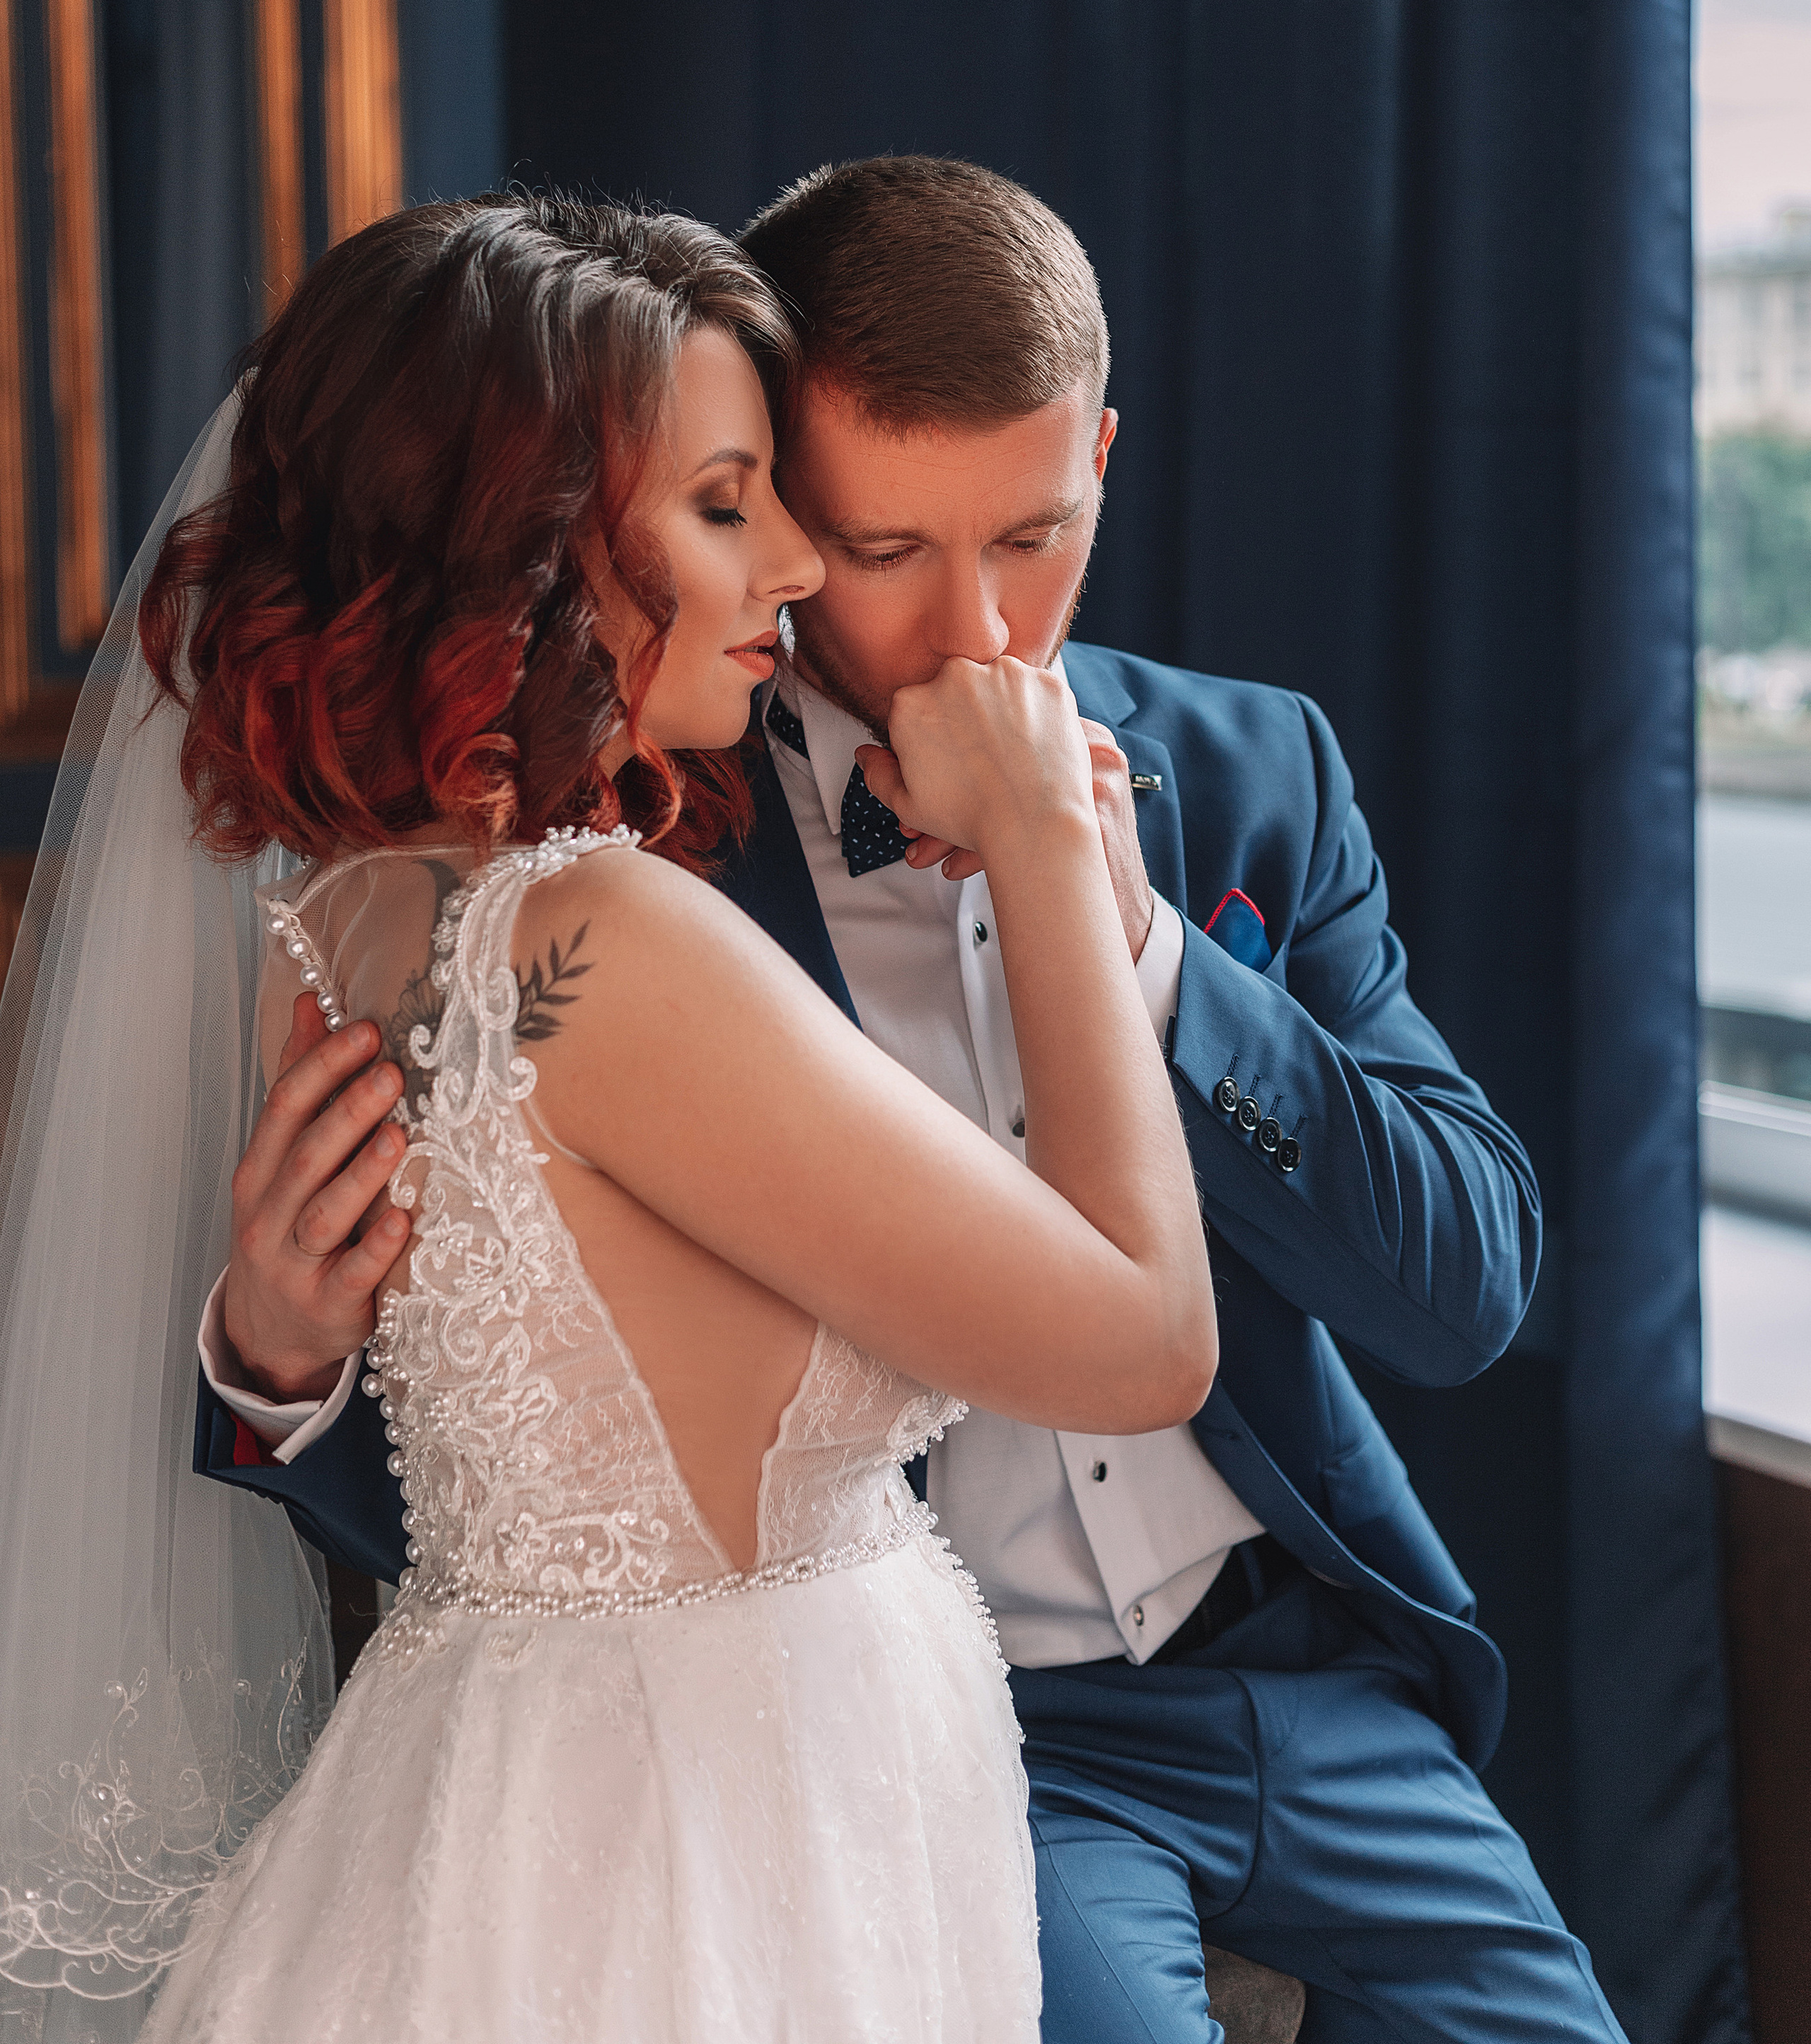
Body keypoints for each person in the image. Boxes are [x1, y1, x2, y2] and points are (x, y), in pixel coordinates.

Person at [214, 157, 1633, 2044]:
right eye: (880, 549)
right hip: (977, 1734)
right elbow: (546, 1481)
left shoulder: (1250, 769)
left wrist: (1140, 948)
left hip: (1313, 1670)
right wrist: (282, 1366)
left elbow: (1466, 1292)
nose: (975, 635)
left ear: (1101, 459)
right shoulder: (632, 844)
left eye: (1032, 536)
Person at [0, 195, 1221, 2044]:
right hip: (695, 1850)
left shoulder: (334, 925)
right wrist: (1055, 843)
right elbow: (1142, 1341)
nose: (797, 562)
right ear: (533, 545)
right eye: (727, 506)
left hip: (525, 1791)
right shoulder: (599, 940)